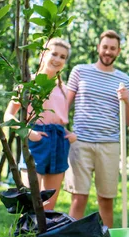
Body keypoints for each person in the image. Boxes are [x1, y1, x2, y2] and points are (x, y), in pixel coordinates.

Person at [64, 30, 129, 227]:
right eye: (105, 47)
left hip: (110, 145)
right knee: (79, 198)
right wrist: (65, 131)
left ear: (118, 51)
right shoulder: (80, 71)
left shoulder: (124, 80)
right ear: (98, 47)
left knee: (106, 201)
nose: (108, 51)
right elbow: (64, 105)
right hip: (81, 143)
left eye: (113, 48)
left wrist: (127, 100)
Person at [4, 38, 76, 211]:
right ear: (43, 54)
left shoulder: (64, 90)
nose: (58, 59)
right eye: (54, 54)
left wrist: (70, 135)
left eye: (63, 57)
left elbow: (58, 119)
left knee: (48, 206)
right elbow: (8, 115)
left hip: (59, 142)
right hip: (36, 140)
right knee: (29, 203)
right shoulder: (28, 85)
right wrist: (29, 133)